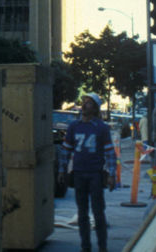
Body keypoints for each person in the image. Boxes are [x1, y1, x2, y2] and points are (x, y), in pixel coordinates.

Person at [57, 92, 116, 252]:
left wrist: (112, 175)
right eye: (84, 102)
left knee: (98, 212)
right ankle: (86, 247)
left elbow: (110, 153)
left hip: (95, 174)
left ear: (95, 108)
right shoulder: (74, 127)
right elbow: (66, 151)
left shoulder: (101, 128)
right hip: (79, 174)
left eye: (89, 103)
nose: (84, 105)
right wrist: (62, 171)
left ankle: (102, 247)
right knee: (82, 213)